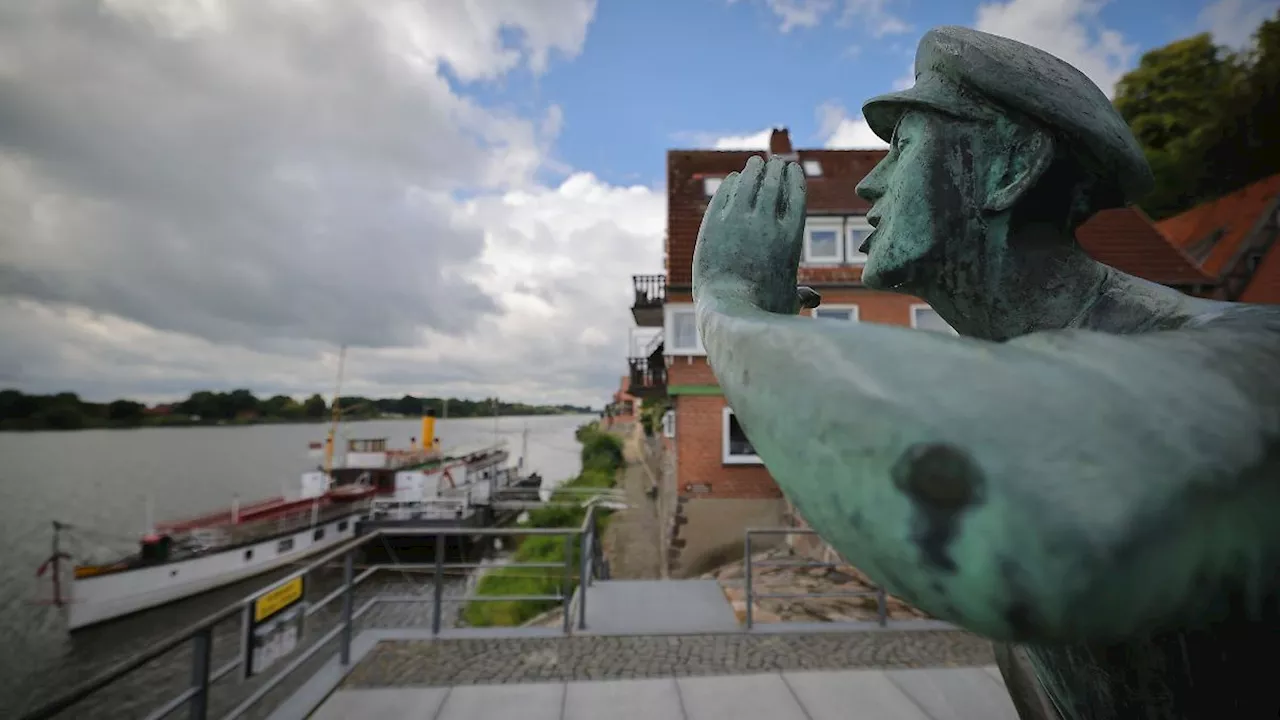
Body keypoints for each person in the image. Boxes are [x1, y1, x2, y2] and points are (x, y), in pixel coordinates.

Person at [693, 25, 1280, 720]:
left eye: (903, 147)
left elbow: (1018, 506)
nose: (872, 180)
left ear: (1012, 166)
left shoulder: (1246, 356)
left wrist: (729, 303)